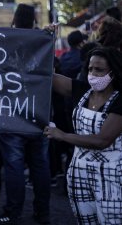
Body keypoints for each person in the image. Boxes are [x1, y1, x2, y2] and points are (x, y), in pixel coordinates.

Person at [44, 47, 122, 225]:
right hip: (79, 172)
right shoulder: (82, 90)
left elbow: (103, 140)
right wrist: (46, 42)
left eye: (99, 70)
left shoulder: (119, 100)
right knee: (84, 220)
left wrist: (63, 135)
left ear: (114, 72)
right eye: (90, 68)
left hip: (111, 177)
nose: (93, 73)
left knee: (112, 220)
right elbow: (46, 76)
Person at [0, 3, 51, 225]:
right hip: (39, 111)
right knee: (40, 164)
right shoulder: (42, 41)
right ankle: (43, 212)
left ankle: (13, 212)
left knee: (14, 166)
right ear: (34, 19)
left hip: (11, 113)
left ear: (15, 19)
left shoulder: (5, 41)